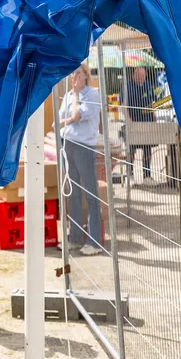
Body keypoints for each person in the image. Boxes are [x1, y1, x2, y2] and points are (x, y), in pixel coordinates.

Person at [59, 63, 103, 255]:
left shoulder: (91, 95)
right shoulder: (67, 96)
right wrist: (68, 119)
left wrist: (76, 95)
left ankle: (94, 241)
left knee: (90, 193)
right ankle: (75, 237)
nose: (73, 77)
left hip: (84, 146)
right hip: (68, 144)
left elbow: (76, 116)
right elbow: (59, 120)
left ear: (86, 75)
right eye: (71, 74)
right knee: (73, 192)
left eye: (77, 73)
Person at [124, 67, 157, 185]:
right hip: (133, 121)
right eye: (139, 77)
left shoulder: (148, 85)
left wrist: (154, 115)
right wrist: (128, 120)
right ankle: (130, 174)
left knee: (147, 149)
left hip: (147, 122)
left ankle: (147, 176)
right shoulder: (127, 87)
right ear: (134, 75)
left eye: (143, 77)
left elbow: (152, 102)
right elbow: (123, 104)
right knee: (131, 150)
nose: (141, 79)